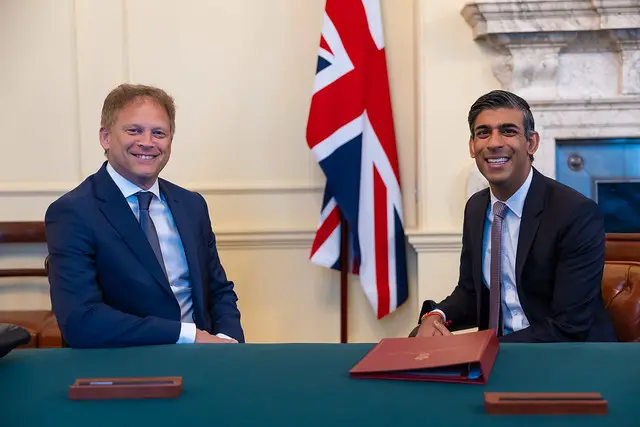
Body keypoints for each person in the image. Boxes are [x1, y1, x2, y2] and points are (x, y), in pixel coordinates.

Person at [45, 84, 244, 348]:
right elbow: (82, 321)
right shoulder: (73, 212)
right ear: (105, 137)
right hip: (125, 367)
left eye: (158, 133)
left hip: (206, 358)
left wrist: (228, 341)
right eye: (134, 130)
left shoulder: (191, 205)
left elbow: (218, 291)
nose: (147, 142)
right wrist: (189, 336)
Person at [415, 90, 617, 343]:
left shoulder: (574, 212)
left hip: (566, 357)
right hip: (498, 354)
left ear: (531, 143)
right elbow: (471, 292)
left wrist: (475, 348)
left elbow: (569, 325)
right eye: (483, 133)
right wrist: (435, 316)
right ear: (472, 146)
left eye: (508, 131)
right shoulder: (476, 208)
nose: (494, 143)